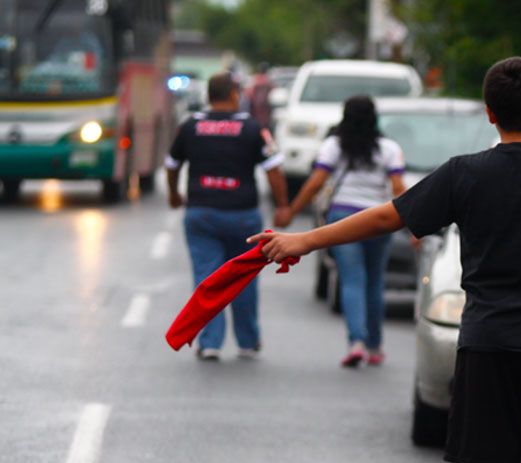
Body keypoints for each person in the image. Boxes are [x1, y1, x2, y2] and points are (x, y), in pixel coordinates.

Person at [250, 56, 521, 463]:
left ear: (489, 113)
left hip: (489, 340)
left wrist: (304, 240)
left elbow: (385, 219)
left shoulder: (465, 174)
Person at [165, 72, 291, 361]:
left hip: (201, 213)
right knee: (243, 276)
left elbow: (171, 164)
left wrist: (174, 193)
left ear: (210, 96)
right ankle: (247, 341)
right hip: (243, 216)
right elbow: (273, 169)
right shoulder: (252, 128)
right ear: (235, 95)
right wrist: (283, 206)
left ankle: (210, 342)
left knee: (206, 277)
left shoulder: (190, 126)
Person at [279, 96, 406, 368]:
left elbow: (315, 183)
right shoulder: (389, 149)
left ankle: (356, 342)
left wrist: (291, 210)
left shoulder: (334, 146)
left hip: (343, 218)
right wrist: (416, 225)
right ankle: (375, 346)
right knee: (374, 282)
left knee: (351, 280)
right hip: (379, 220)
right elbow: (398, 188)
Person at [245, 62, 273, 129]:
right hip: (262, 108)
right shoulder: (268, 80)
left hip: (259, 108)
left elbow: (249, 93)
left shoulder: (256, 79)